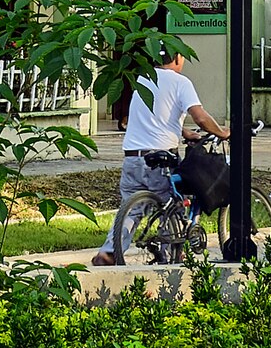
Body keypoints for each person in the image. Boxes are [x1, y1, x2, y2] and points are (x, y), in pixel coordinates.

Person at [91, 51, 228, 265]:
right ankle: (173, 255)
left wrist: (183, 132)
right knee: (171, 207)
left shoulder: (144, 79)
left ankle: (108, 252)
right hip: (160, 158)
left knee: (131, 210)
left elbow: (154, 115)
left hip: (132, 158)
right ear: (177, 58)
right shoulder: (181, 82)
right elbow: (200, 117)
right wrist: (222, 133)